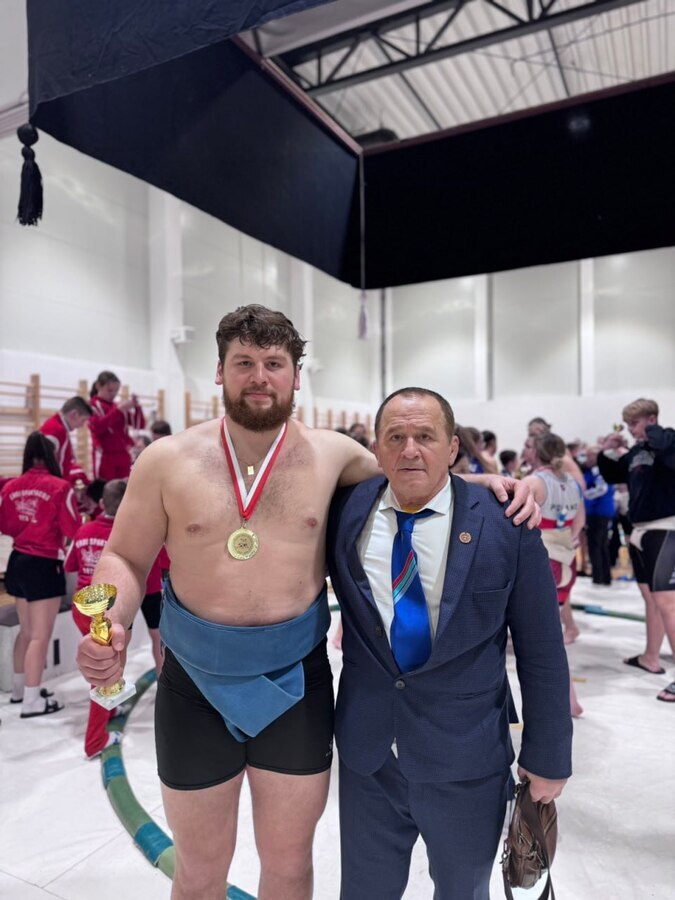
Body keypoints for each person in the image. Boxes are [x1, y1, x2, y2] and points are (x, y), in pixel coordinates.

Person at [75, 304, 538, 900]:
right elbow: (124, 557)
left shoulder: (333, 455)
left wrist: (494, 484)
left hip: (295, 686)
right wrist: (112, 617)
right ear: (219, 371)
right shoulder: (165, 461)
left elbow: (412, 477)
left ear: (297, 375)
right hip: (194, 687)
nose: (259, 377)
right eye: (243, 362)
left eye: (274, 363)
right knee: (197, 871)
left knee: (290, 866)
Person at [327, 389, 571, 900]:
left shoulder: (507, 523)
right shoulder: (345, 512)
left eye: (425, 436)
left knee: (464, 892)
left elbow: (542, 649)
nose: (410, 449)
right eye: (395, 437)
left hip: (467, 759)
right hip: (369, 758)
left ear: (453, 447)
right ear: (376, 448)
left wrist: (548, 755)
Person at [598, 398, 675, 701]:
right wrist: (606, 450)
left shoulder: (667, 440)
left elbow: (667, 448)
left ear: (651, 420)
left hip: (665, 528)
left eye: (635, 423)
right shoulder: (636, 451)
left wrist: (650, 431)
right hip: (641, 529)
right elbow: (613, 475)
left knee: (668, 603)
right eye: (628, 424)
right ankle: (650, 657)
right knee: (650, 599)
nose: (630, 429)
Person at [0, 433, 79, 716]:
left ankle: (21, 691)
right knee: (40, 637)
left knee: (26, 631)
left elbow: (5, 526)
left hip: (17, 562)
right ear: (51, 456)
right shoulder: (60, 487)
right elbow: (72, 528)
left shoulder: (11, 486)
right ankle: (32, 701)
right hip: (44, 564)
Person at [521, 432, 585, 717]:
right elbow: (578, 525)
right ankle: (570, 699)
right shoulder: (573, 483)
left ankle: (566, 700)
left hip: (543, 559)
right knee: (551, 634)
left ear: (535, 452)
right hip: (566, 561)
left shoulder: (533, 482)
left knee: (543, 639)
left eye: (528, 447)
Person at [66, 479, 128, 757]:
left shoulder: (84, 529)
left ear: (101, 502)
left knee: (106, 667)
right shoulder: (124, 533)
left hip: (80, 606)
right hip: (106, 611)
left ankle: (111, 707)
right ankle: (94, 741)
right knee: (104, 672)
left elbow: (70, 565)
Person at [89, 370, 145, 480]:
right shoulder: (92, 405)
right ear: (98, 386)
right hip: (105, 456)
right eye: (110, 390)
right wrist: (119, 410)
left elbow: (140, 424)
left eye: (116, 391)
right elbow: (98, 427)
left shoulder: (118, 406)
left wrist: (137, 407)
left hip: (123, 454)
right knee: (106, 487)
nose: (113, 394)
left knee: (124, 487)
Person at [580, 445, 615, 586]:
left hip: (600, 511)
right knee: (600, 544)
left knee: (596, 544)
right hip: (597, 511)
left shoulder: (599, 470)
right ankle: (604, 576)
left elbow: (601, 489)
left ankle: (599, 577)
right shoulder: (591, 470)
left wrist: (583, 495)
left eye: (590, 456)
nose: (587, 459)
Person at [39, 395, 93, 487]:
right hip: (52, 486)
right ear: (74, 414)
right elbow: (43, 464)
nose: (82, 425)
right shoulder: (55, 430)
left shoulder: (60, 428)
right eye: (83, 420)